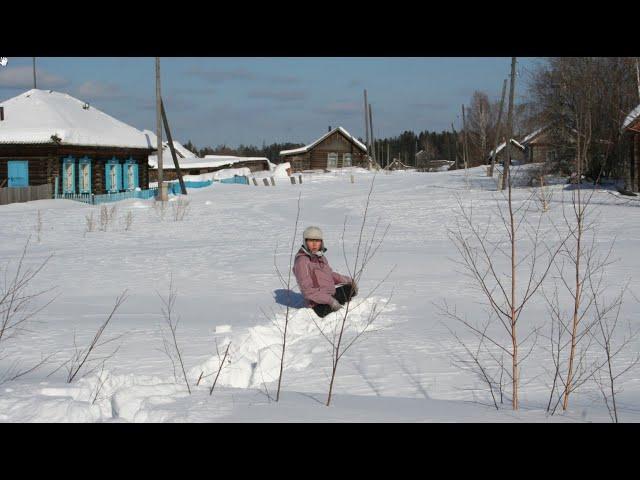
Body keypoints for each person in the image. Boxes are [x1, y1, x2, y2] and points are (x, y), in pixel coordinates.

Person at [293, 226, 358, 318]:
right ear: (305, 242)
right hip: (317, 304)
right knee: (340, 314)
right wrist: (331, 301)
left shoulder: (321, 257)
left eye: (317, 241)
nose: (314, 244)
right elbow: (308, 291)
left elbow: (330, 275)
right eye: (311, 241)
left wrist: (349, 280)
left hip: (330, 295)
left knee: (350, 288)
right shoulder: (302, 261)